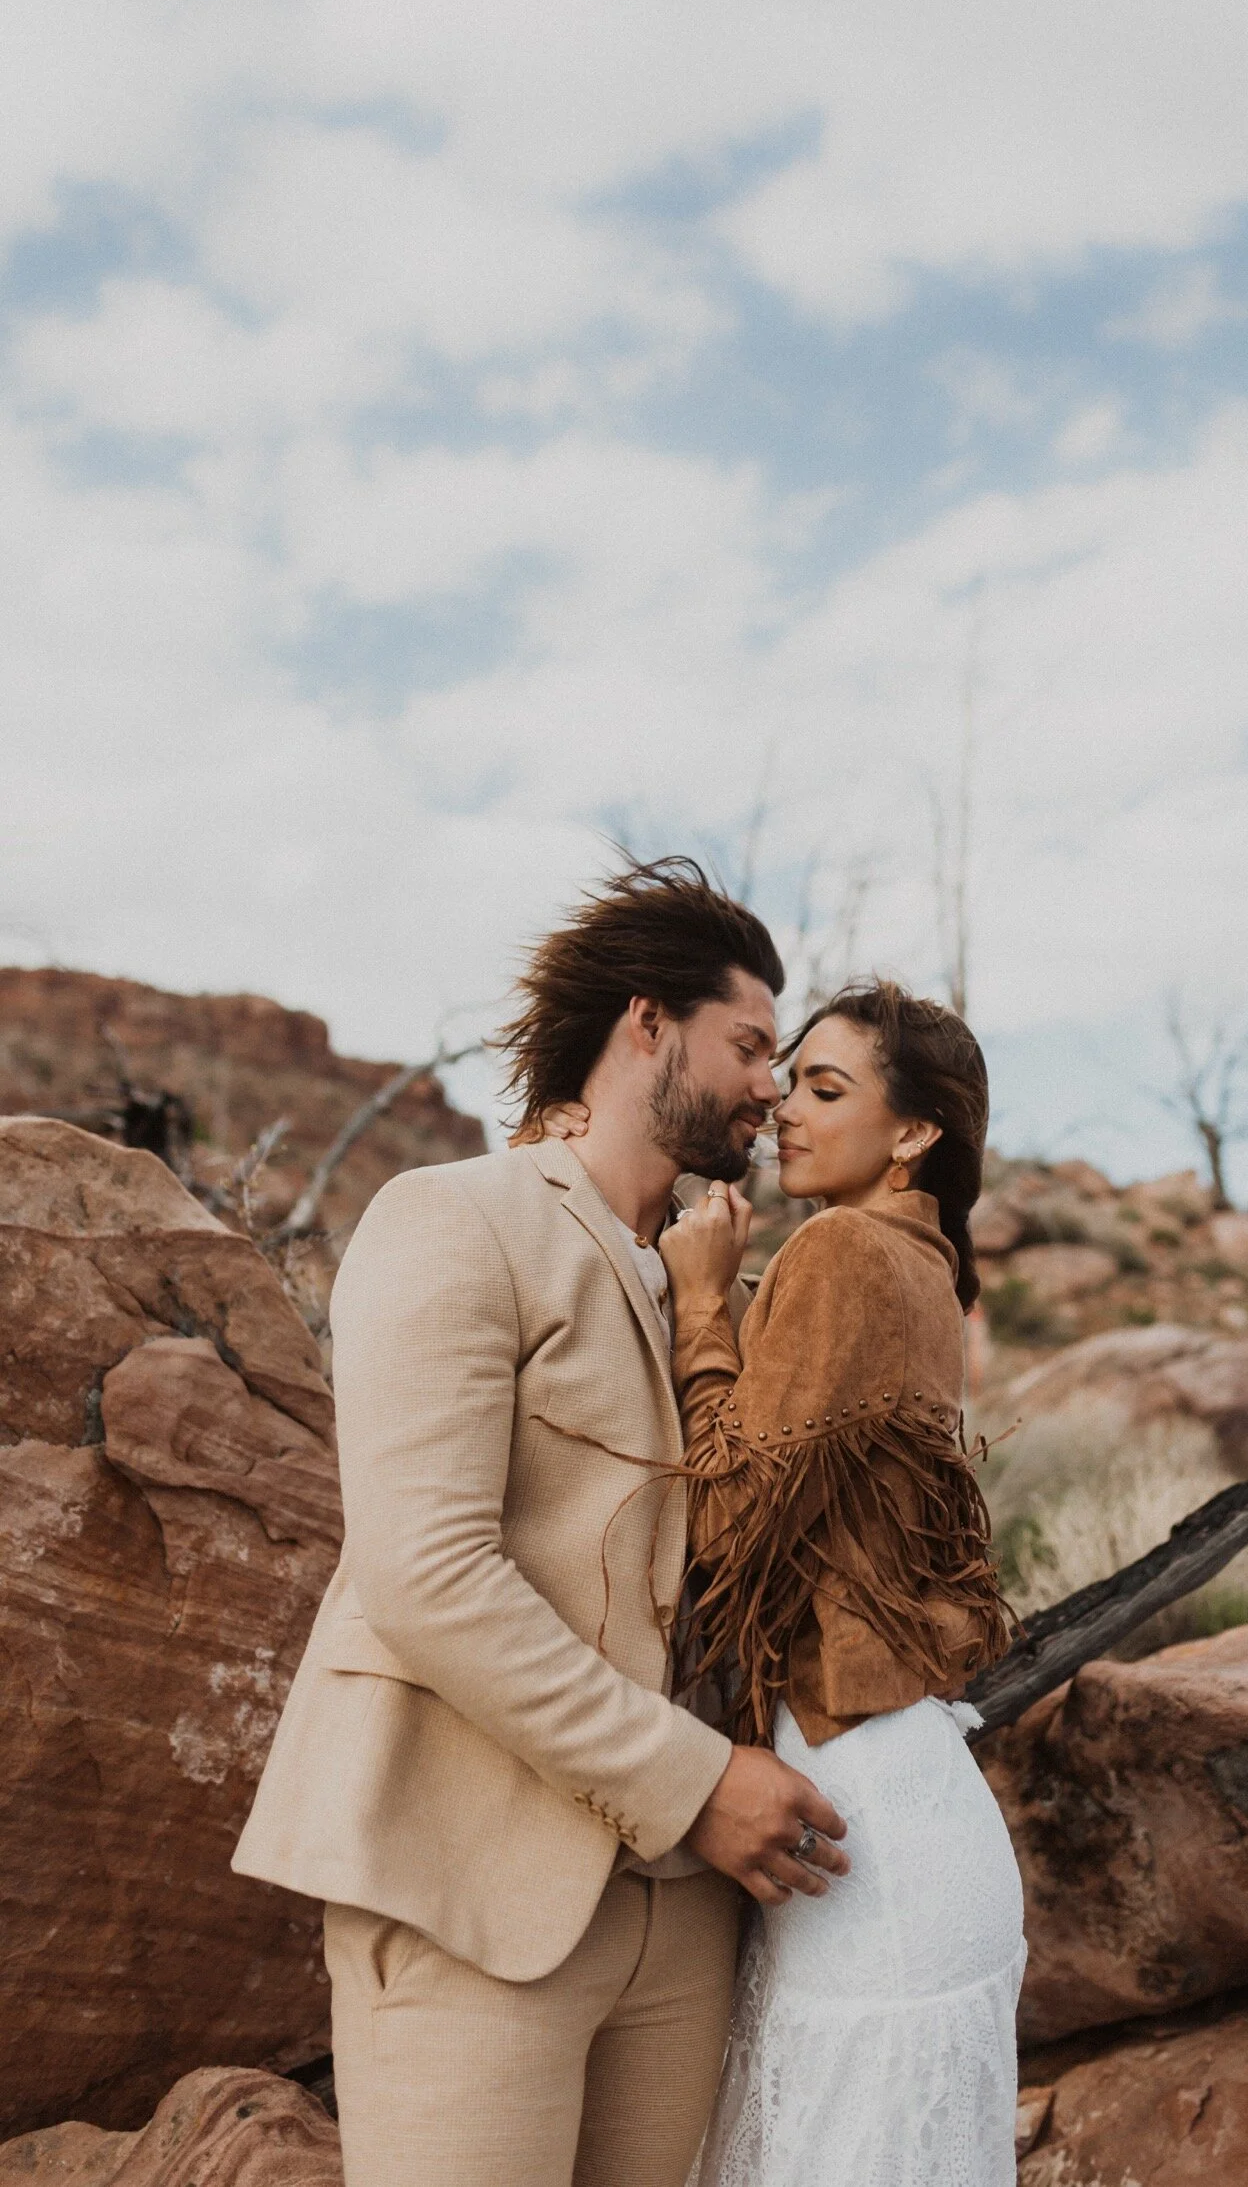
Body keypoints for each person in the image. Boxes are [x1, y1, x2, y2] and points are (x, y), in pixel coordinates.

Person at [232, 858, 850, 2187]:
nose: (771, 1086)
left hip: (686, 1919)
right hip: (473, 1885)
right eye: (749, 1046)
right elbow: (428, 1574)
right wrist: (694, 1784)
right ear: (647, 1023)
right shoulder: (455, 1218)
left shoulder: (719, 1290)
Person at [663, 981, 1027, 2187]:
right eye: (790, 1084)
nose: (785, 1110)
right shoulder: (926, 1265)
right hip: (909, 1804)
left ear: (915, 1130)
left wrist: (702, 1307)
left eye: (825, 1090)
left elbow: (728, 1522)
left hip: (859, 1821)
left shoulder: (838, 1250)